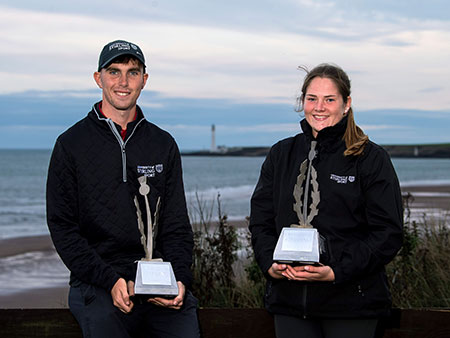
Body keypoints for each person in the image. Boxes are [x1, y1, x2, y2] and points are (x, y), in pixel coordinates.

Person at [46, 40, 200, 338]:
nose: (123, 82)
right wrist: (110, 280)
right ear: (98, 78)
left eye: (132, 72)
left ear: (144, 79)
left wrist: (180, 279)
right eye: (114, 72)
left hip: (158, 281)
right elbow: (63, 227)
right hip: (99, 283)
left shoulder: (163, 143)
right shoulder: (70, 144)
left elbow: (177, 226)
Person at [249, 63, 403, 338]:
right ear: (303, 102)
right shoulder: (281, 154)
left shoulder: (370, 159)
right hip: (289, 302)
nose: (319, 107)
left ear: (346, 104)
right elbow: (261, 220)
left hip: (352, 304)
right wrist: (270, 264)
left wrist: (335, 271)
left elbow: (388, 234)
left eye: (329, 99)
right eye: (312, 99)